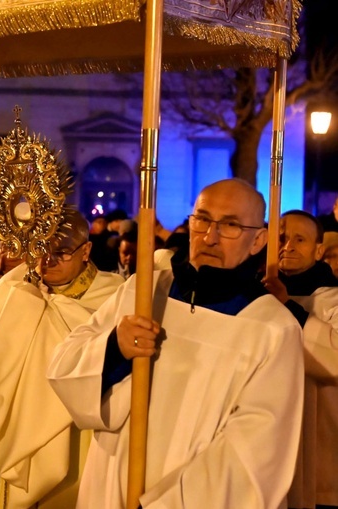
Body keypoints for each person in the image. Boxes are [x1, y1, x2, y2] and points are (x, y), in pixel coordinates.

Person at [48, 178, 304, 508]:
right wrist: (113, 349)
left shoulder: (272, 328)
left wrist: (167, 503)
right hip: (113, 482)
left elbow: (255, 451)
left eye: (230, 226)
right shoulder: (143, 291)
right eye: (202, 219)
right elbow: (64, 365)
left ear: (257, 241)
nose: (210, 236)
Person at [0, 211, 124, 508]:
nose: (47, 261)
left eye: (61, 252)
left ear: (86, 251)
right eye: (39, 249)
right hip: (11, 423)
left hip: (74, 435)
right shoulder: (13, 288)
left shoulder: (114, 296)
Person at [262, 210, 338, 509]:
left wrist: (287, 309)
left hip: (320, 441)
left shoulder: (331, 299)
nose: (287, 246)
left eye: (299, 239)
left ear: (319, 250)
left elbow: (333, 357)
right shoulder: (253, 296)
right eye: (280, 238)